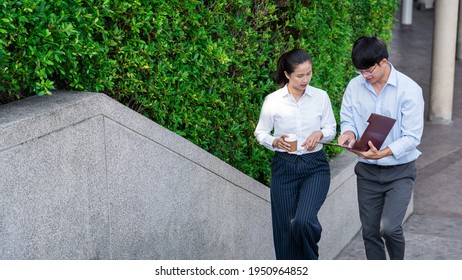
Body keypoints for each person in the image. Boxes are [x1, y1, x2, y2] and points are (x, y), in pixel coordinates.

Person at [338, 36, 424, 260]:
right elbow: (347, 118)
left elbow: (412, 137)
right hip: (366, 172)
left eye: (368, 71)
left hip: (400, 172)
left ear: (383, 61)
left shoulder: (409, 90)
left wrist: (383, 153)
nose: (364, 76)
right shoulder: (354, 85)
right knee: (370, 231)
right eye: (360, 72)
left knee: (390, 228)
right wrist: (348, 134)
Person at [254, 49, 336, 260]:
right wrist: (274, 141)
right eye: (300, 75)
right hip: (284, 165)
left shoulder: (321, 97)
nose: (305, 79)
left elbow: (331, 129)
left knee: (303, 221)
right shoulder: (273, 100)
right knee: (285, 231)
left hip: (315, 166)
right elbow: (261, 132)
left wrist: (320, 134)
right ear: (287, 75)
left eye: (308, 73)